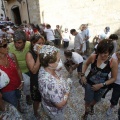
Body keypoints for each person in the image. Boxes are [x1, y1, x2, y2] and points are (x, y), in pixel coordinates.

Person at [80, 39, 118, 120]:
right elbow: (86, 64)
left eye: (105, 53)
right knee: (87, 100)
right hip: (89, 83)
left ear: (110, 52)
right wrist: (82, 75)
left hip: (102, 86)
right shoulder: (94, 57)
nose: (102, 55)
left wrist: (101, 85)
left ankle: (92, 106)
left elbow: (114, 78)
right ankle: (86, 113)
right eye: (100, 52)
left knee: (96, 99)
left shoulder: (113, 62)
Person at [38, 45, 72, 120]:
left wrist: (55, 69)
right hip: (55, 112)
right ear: (50, 63)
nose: (61, 61)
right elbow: (60, 105)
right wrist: (67, 91)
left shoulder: (44, 67)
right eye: (59, 60)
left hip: (47, 104)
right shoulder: (51, 84)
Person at [8, 30, 32, 105]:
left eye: (19, 42)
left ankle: (28, 96)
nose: (16, 45)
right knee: (18, 86)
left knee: (28, 84)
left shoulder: (29, 45)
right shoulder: (9, 47)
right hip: (16, 71)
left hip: (27, 70)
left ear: (25, 42)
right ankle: (18, 98)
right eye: (15, 42)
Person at [0, 36, 23, 110]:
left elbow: (18, 69)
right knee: (13, 105)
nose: (7, 47)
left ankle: (19, 108)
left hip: (17, 84)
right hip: (6, 89)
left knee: (18, 98)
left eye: (7, 45)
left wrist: (22, 81)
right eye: (4, 46)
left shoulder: (12, 56)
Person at [26, 34, 45, 119]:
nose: (41, 45)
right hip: (36, 80)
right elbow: (34, 70)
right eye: (39, 43)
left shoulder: (43, 51)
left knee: (44, 97)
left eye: (42, 43)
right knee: (36, 99)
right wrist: (38, 56)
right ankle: (35, 112)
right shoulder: (29, 54)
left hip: (44, 79)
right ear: (33, 43)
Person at [106, 47, 120, 116]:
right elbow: (109, 64)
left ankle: (111, 107)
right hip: (110, 78)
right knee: (105, 89)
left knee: (115, 96)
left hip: (119, 82)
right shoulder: (114, 55)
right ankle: (99, 98)